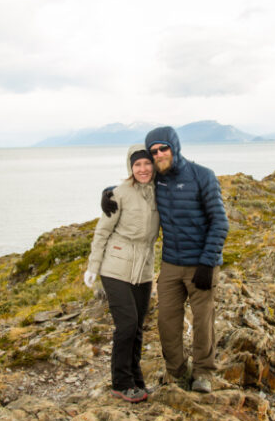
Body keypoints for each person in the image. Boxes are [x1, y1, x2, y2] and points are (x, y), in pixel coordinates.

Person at [104, 126, 228, 393]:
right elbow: (135, 186)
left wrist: (209, 262)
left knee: (202, 321)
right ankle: (178, 372)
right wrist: (110, 192)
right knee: (166, 323)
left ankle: (204, 373)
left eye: (163, 148)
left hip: (202, 265)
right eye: (154, 151)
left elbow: (220, 221)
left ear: (174, 147)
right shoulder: (157, 181)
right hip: (171, 265)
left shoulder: (202, 176)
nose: (159, 154)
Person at [85, 144, 160, 403]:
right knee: (126, 324)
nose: (142, 169)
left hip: (144, 268)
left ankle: (136, 380)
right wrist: (93, 267)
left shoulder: (160, 191)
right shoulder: (118, 194)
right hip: (115, 267)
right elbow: (102, 231)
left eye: (147, 164)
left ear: (153, 165)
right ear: (130, 167)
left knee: (138, 327)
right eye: (137, 165)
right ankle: (120, 383)